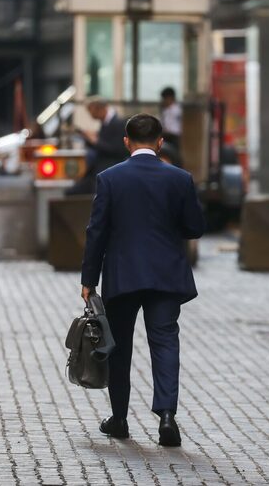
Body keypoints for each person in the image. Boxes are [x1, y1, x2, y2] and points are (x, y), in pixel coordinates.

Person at [80, 113, 205, 447]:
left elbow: (97, 233)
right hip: (166, 274)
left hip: (123, 274)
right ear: (161, 142)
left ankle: (119, 418)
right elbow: (195, 227)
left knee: (119, 346)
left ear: (126, 142)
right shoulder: (180, 178)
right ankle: (166, 416)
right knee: (164, 342)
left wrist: (89, 279)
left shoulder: (110, 178)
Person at [66, 97, 128, 195]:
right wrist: (88, 138)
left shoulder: (118, 123)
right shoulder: (106, 123)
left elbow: (117, 150)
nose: (91, 115)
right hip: (98, 168)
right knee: (71, 192)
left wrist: (95, 141)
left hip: (108, 167)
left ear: (99, 109)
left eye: (91, 112)